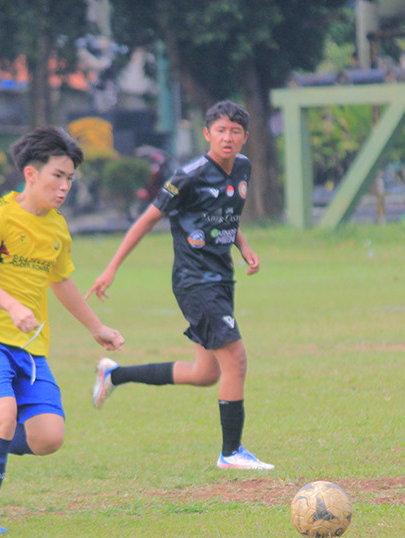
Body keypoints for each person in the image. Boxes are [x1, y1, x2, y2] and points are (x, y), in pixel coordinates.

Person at [0, 125, 125, 536]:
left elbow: (61, 282)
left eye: (70, 179)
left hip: (29, 346)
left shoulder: (57, 229)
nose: (64, 187)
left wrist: (96, 327)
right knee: (5, 416)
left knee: (48, 438)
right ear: (31, 174)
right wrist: (12, 306)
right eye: (57, 176)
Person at [85, 100, 272, 471]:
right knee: (236, 359)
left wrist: (244, 245)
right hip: (195, 281)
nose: (228, 137)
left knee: (206, 374)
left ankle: (114, 374)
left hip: (221, 278)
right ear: (207, 134)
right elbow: (145, 221)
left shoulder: (243, 168)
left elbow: (226, 213)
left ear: (245, 137)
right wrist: (111, 268)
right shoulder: (188, 176)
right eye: (221, 130)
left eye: (235, 132)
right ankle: (231, 453)